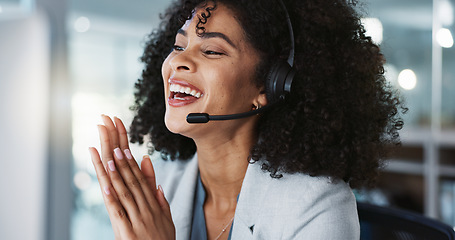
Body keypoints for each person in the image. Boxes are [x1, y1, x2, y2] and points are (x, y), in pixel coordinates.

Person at [89, 0, 406, 239]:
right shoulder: (157, 185)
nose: (179, 61)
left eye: (212, 50)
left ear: (270, 86)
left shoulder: (318, 205)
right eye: (178, 46)